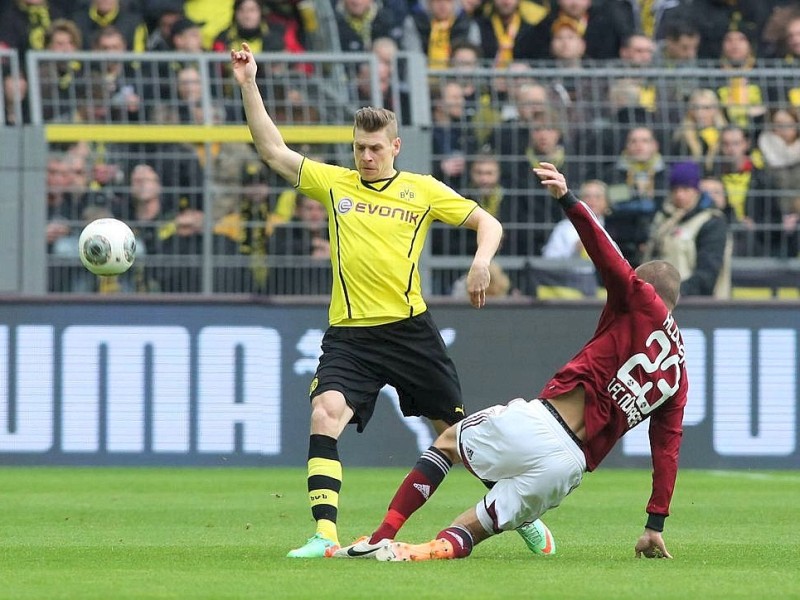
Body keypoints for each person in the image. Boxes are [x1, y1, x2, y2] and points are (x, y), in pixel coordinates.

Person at [331, 161, 687, 562]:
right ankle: (425, 550)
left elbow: (609, 257)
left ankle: (382, 535)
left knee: (447, 442)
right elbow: (667, 447)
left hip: (542, 424)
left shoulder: (639, 299)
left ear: (645, 286)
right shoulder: (677, 373)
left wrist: (569, 201)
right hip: (569, 469)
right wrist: (655, 524)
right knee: (473, 528)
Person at [231, 42, 504, 558]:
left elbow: (487, 221)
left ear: (396, 146)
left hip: (409, 330)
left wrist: (480, 261)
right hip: (351, 335)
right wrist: (249, 84)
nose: (366, 155)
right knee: (324, 413)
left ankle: (511, 508)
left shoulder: (421, 190)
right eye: (359, 147)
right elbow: (273, 151)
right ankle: (324, 535)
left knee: (459, 436)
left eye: (376, 147)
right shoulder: (336, 185)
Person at [642, 161, 732, 298]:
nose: (680, 195)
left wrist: (675, 292)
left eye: (685, 189)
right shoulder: (663, 218)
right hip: (661, 301)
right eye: (675, 189)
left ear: (696, 190)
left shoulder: (711, 221)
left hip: (695, 303)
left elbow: (708, 273)